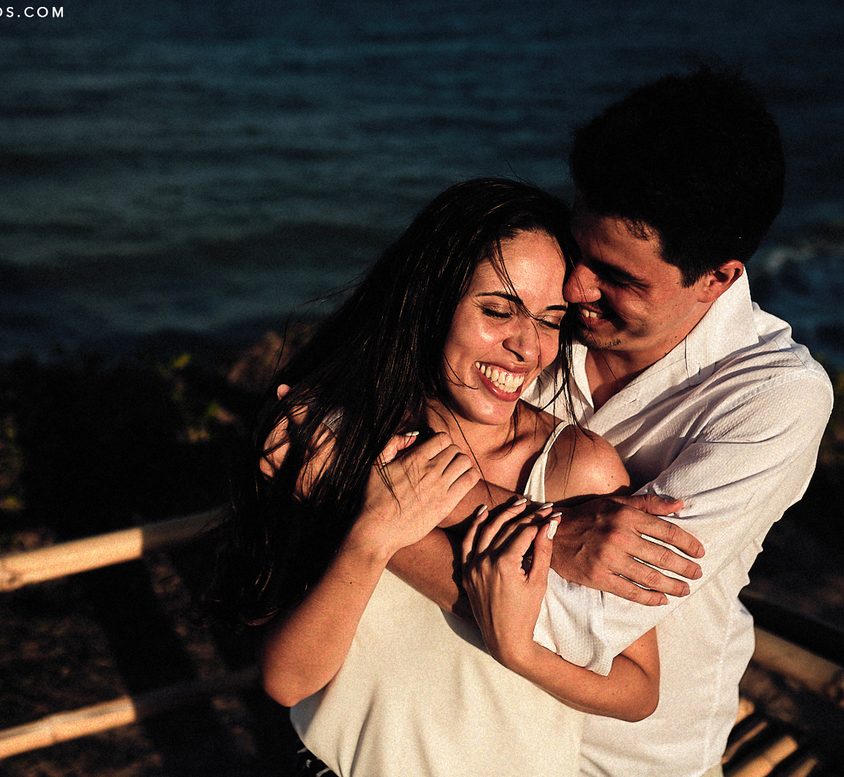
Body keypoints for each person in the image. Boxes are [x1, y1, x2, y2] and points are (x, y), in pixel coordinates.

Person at [391, 66, 835, 777]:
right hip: (467, 727)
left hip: (623, 760)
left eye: (620, 279)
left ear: (718, 278)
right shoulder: (540, 316)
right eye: (581, 250)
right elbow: (368, 407)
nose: (575, 290)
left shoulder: (773, 400)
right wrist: (560, 533)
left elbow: (576, 623)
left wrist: (362, 516)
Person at [207, 177, 662, 777]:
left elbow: (639, 689)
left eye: (551, 321)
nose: (527, 348)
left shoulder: (576, 469)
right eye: (498, 310)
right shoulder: (338, 440)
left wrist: (519, 652)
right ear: (429, 301)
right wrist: (368, 537)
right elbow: (287, 683)